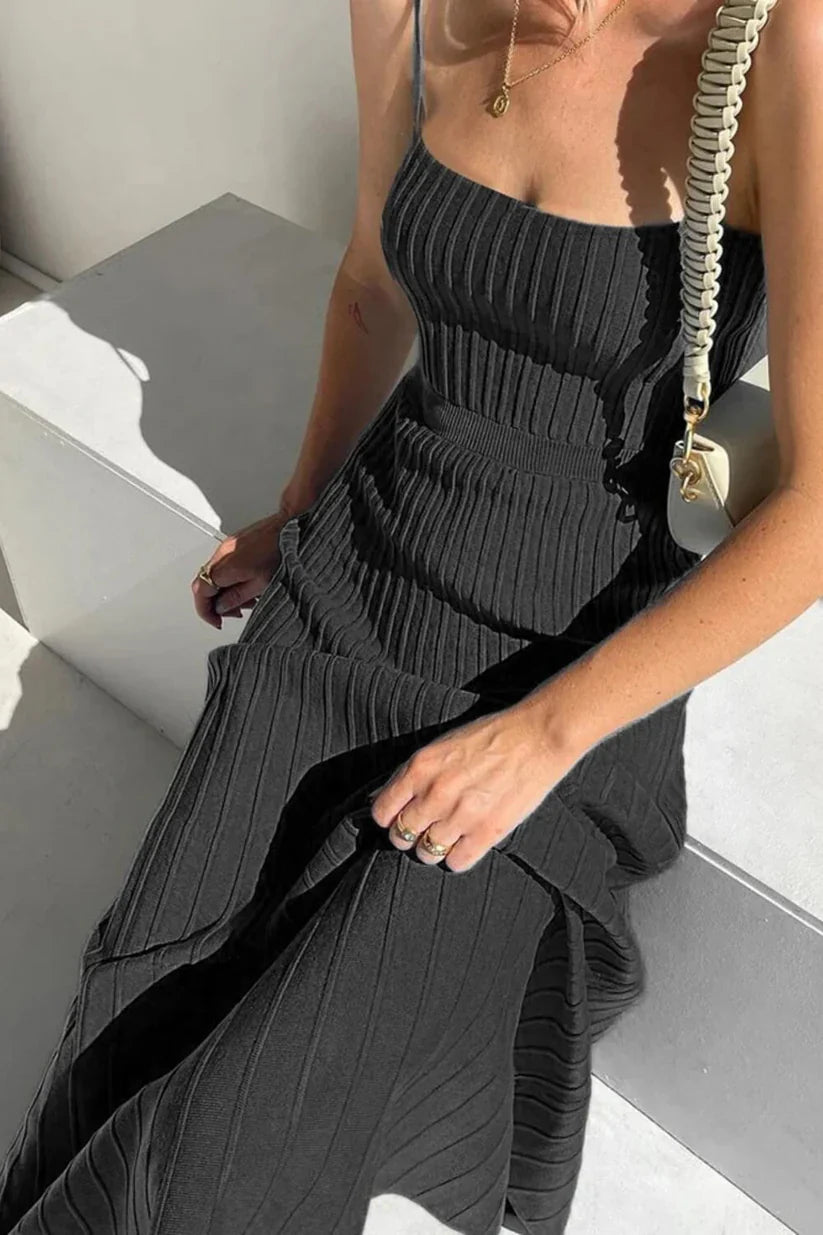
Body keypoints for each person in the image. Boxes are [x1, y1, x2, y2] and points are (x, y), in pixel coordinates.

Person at [1, 1, 818, 1232]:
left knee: (230, 1146)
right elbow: (372, 285)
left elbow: (813, 506)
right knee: (126, 996)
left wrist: (540, 738)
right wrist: (298, 508)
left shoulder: (778, 37)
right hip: (358, 571)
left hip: (566, 656)